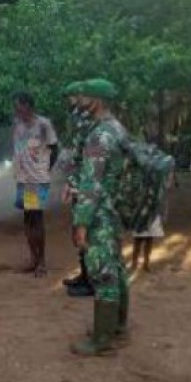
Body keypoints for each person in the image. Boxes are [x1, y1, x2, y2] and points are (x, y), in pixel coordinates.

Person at [69, 79, 131, 356]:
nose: (79, 99)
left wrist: (81, 222)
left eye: (84, 95)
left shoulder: (99, 136)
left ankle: (103, 339)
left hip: (100, 214)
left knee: (102, 272)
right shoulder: (116, 128)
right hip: (114, 209)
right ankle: (116, 326)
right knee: (115, 267)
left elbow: (92, 184)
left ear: (97, 100)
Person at [11, 92, 59, 278]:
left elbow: (54, 148)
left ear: (29, 105)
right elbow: (16, 148)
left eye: (19, 106)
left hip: (37, 179)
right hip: (23, 178)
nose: (17, 109)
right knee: (28, 219)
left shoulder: (43, 124)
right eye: (16, 106)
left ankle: (42, 262)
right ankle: (33, 259)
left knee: (36, 218)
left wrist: (45, 169)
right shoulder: (17, 125)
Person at [58, 81, 95, 292]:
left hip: (86, 183)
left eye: (72, 97)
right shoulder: (77, 118)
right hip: (77, 181)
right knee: (77, 230)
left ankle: (90, 280)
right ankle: (84, 275)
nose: (72, 101)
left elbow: (83, 153)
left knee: (85, 231)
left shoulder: (88, 120)